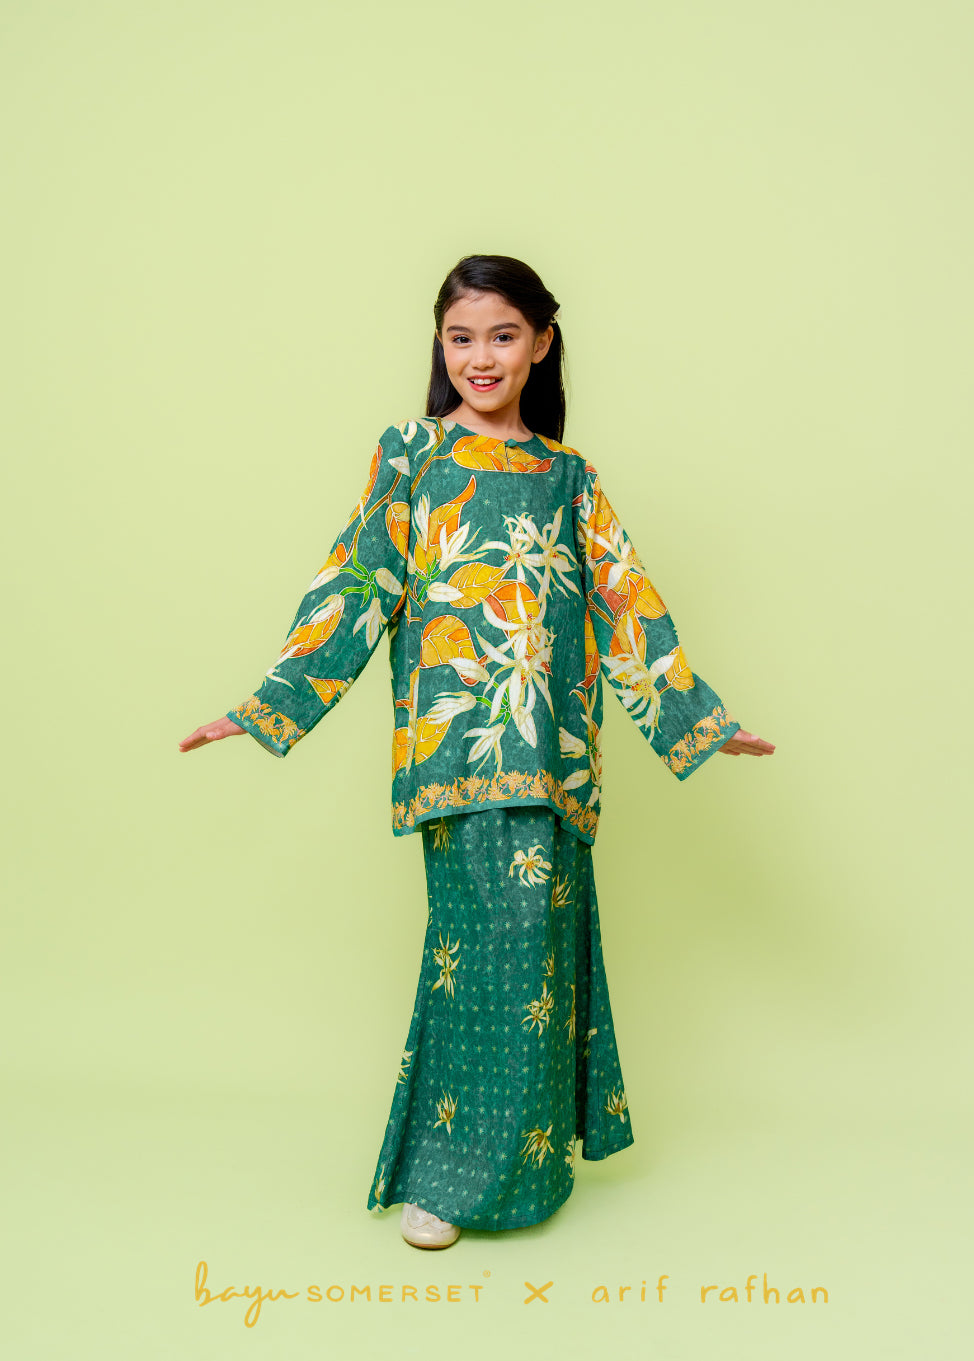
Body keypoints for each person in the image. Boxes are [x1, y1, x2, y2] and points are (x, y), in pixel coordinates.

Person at [179, 254, 775, 1250]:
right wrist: (268, 702)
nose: (480, 357)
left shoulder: (569, 476)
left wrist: (698, 722)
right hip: (453, 752)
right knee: (478, 959)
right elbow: (359, 579)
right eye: (461, 338)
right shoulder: (412, 453)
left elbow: (625, 598)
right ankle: (447, 1179)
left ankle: (530, 1172)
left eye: (502, 335)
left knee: (537, 961)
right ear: (439, 345)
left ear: (542, 342)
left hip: (555, 758)